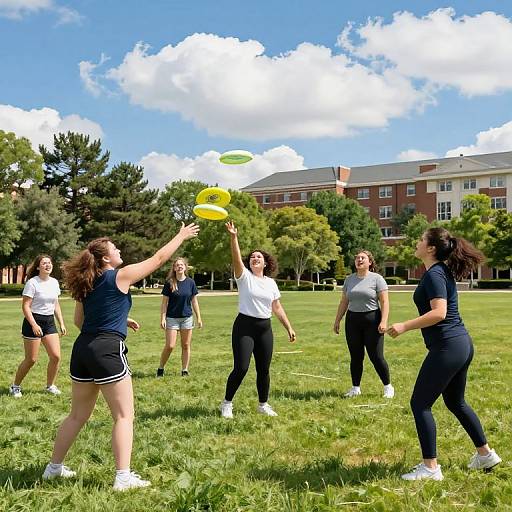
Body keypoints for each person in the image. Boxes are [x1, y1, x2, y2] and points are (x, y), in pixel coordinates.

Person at [41, 223, 199, 490]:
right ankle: (123, 477)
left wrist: (118, 319)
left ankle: (53, 468)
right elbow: (159, 258)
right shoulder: (120, 276)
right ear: (106, 258)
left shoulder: (86, 283)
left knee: (77, 415)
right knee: (124, 416)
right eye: (115, 248)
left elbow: (80, 320)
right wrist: (181, 235)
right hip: (106, 350)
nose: (119, 250)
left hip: (83, 349)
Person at [387, 227, 501, 481]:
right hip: (460, 344)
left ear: (431, 248)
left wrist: (404, 325)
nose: (416, 243)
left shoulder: (435, 274)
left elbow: (439, 312)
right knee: (455, 402)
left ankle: (430, 468)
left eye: (420, 239)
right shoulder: (438, 272)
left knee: (420, 403)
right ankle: (486, 455)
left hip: (448, 346)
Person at [220, 221, 296, 419]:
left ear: (265, 263)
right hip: (244, 327)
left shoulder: (271, 283)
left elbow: (277, 307)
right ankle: (227, 403)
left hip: (265, 328)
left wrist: (289, 328)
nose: (255, 258)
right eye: (252, 257)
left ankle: (263, 404)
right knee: (242, 367)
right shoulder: (244, 277)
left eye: (259, 257)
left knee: (264, 369)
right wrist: (233, 237)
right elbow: (236, 258)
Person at [333, 250, 394, 399]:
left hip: (372, 320)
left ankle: (388, 387)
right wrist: (337, 320)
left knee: (376, 356)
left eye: (363, 258)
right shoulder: (349, 280)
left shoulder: (377, 279)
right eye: (357, 258)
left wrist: (384, 321)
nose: (359, 260)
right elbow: (344, 301)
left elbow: (384, 301)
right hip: (353, 320)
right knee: (356, 356)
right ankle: (355, 388)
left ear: (370, 262)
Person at [9, 255, 67, 398]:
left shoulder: (54, 282)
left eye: (49, 262)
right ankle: (15, 386)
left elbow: (56, 304)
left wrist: (61, 323)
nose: (48, 265)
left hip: (49, 322)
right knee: (31, 359)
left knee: (56, 356)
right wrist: (34, 324)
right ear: (38, 267)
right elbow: (25, 306)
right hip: (33, 321)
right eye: (44, 263)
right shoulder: (32, 283)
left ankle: (50, 386)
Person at [156, 257, 202, 377]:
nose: (180, 266)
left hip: (187, 318)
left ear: (185, 267)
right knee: (170, 345)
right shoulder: (170, 282)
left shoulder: (191, 282)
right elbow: (164, 303)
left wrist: (199, 318)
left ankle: (184, 370)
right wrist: (163, 318)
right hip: (172, 318)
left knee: (186, 345)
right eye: (177, 265)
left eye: (182, 265)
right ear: (174, 268)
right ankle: (161, 368)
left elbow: (194, 301)